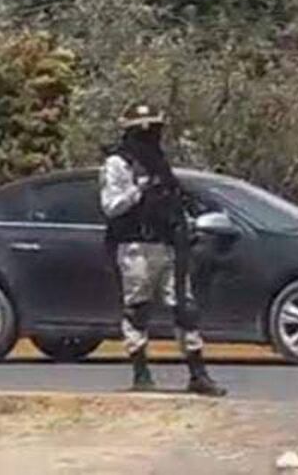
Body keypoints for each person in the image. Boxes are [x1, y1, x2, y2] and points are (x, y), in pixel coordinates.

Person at [100, 103, 226, 396]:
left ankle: (198, 375)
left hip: (169, 244)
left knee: (185, 307)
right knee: (138, 308)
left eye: (153, 128)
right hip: (135, 246)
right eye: (142, 129)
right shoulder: (118, 164)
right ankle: (141, 373)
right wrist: (139, 190)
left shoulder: (161, 161)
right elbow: (110, 206)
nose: (149, 135)